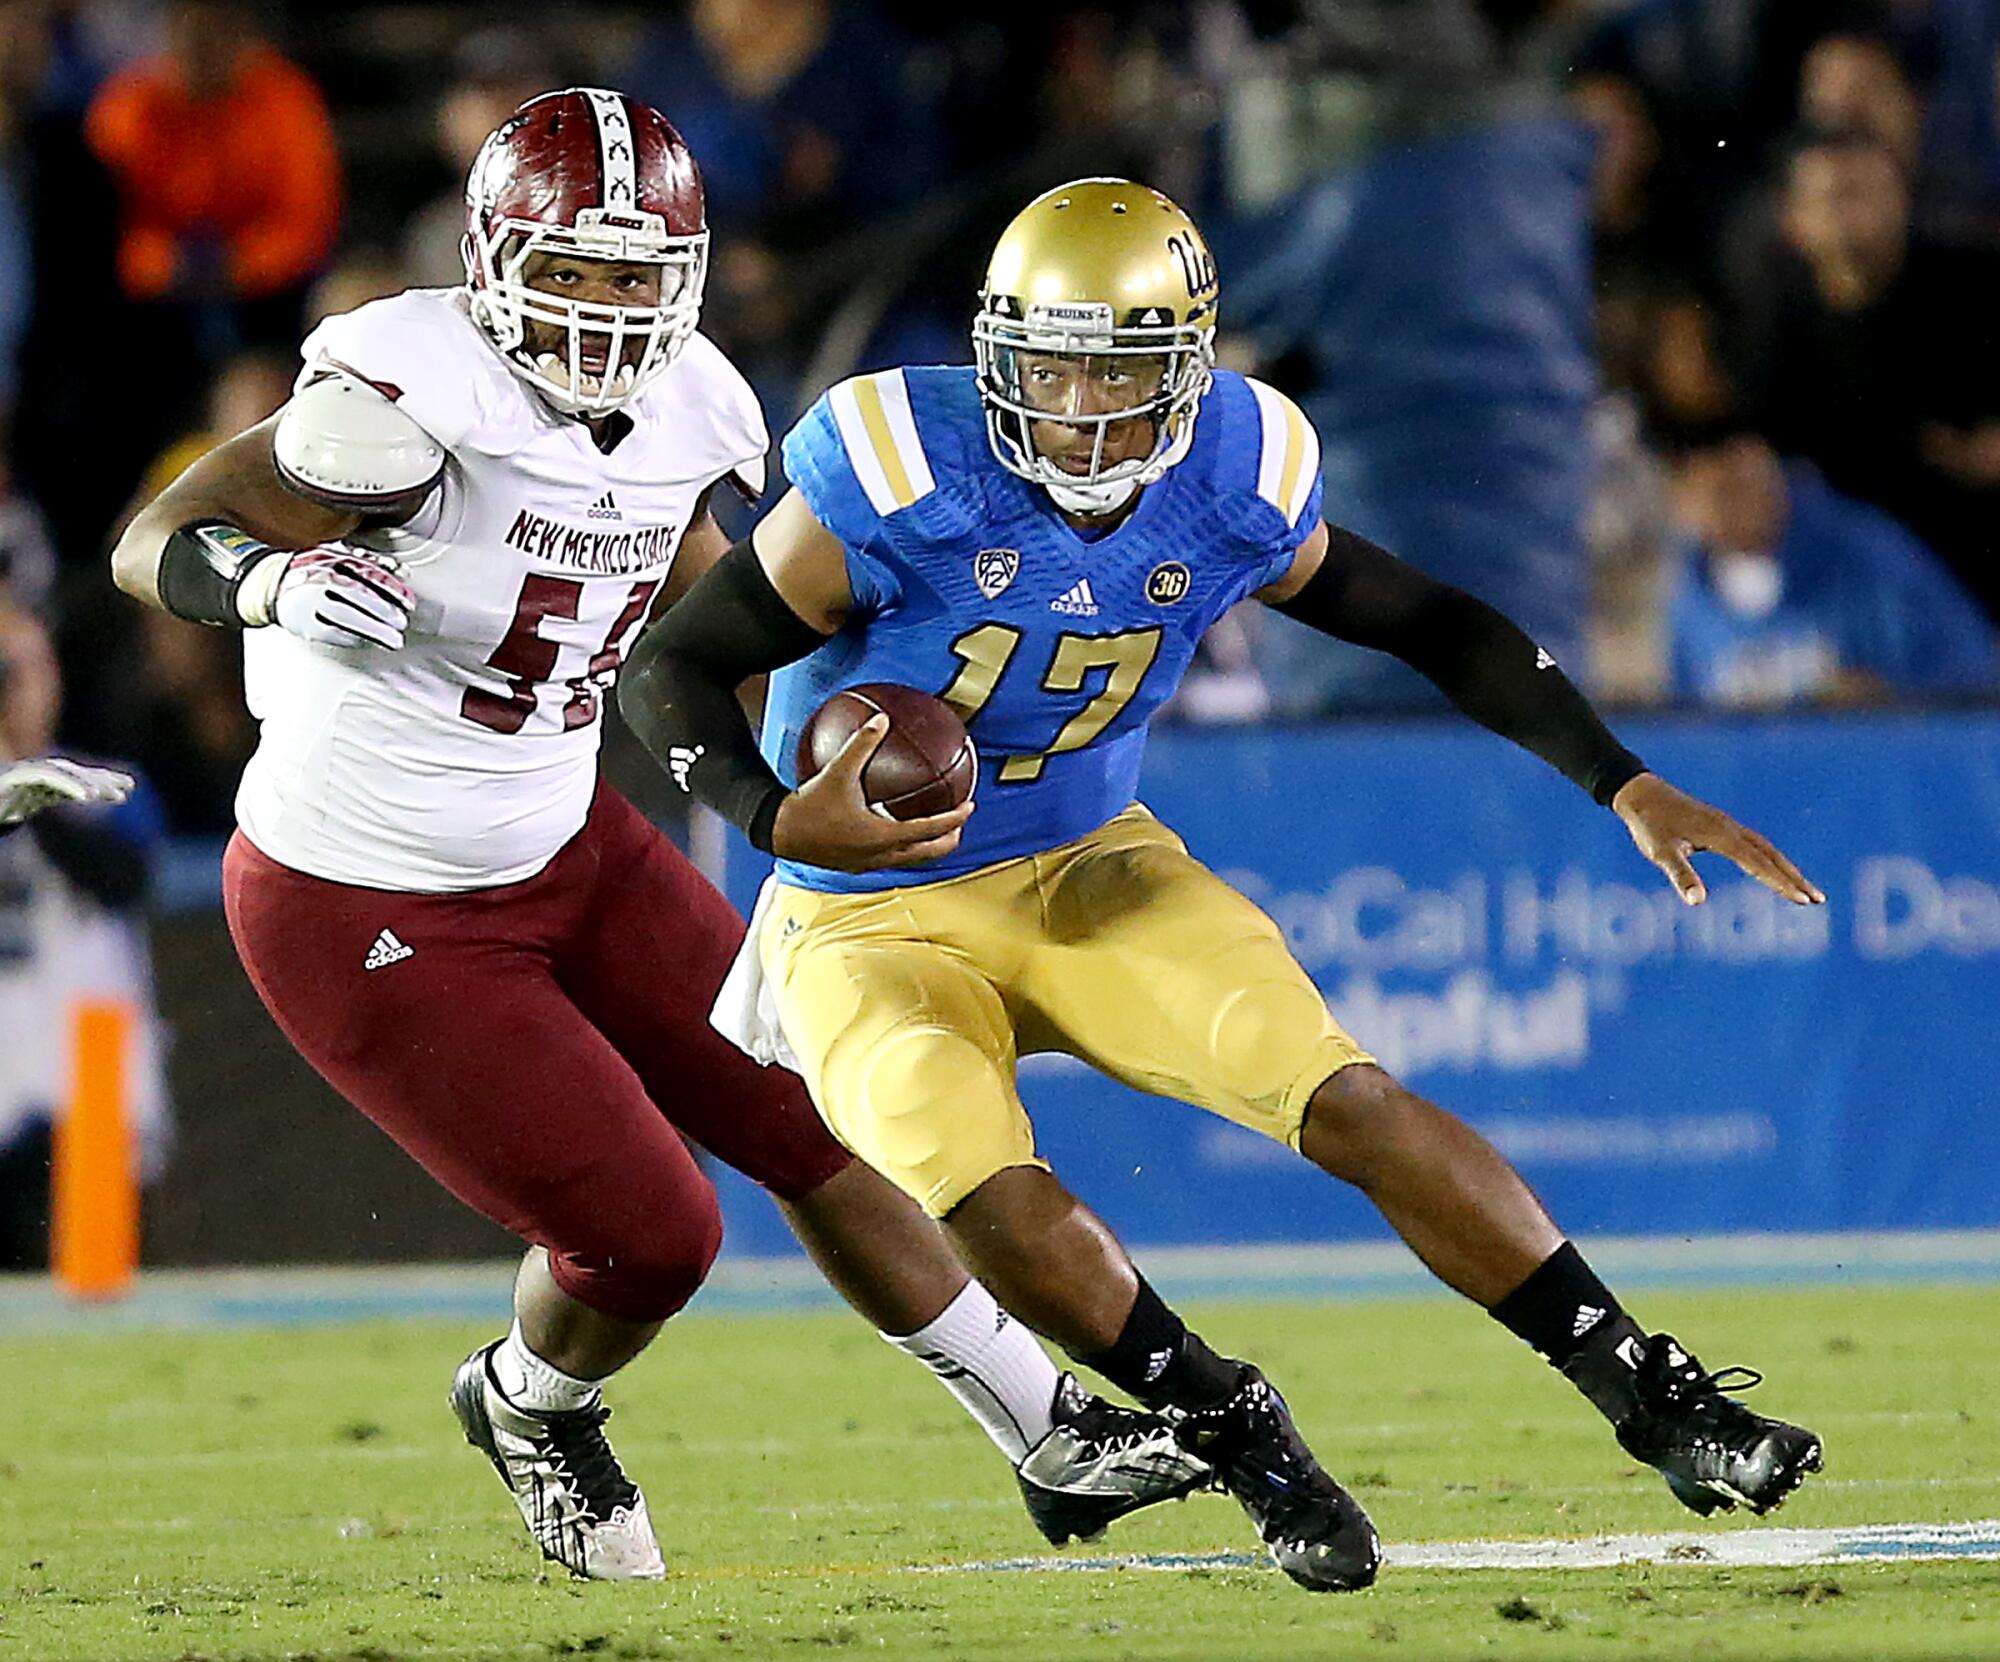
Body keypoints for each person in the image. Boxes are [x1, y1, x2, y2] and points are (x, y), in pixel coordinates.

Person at [622, 178, 1830, 1594]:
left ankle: (1658, 1395)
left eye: (1118, 372)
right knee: (975, 1182)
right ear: (994, 352)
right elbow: (672, 668)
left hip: (1089, 868)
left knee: (1343, 1093)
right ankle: (1234, 1422)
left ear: (1191, 370)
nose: (1077, 405)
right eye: (1048, 362)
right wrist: (777, 814)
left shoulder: (1234, 475)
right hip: (866, 910)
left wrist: (1618, 775)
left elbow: (1428, 617)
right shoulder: (898, 470)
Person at [109, 94, 1205, 1583]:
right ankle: (530, 1400)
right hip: (363, 897)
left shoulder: (699, 406)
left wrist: (841, 757)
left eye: (639, 274)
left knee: (826, 1113)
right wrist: (270, 587)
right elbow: (150, 539)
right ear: (495, 258)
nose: (609, 307)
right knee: (654, 1234)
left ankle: (1049, 1433)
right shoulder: (402, 382)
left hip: (566, 837)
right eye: (573, 269)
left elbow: (716, 619)